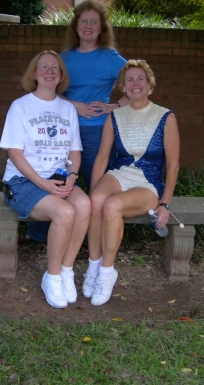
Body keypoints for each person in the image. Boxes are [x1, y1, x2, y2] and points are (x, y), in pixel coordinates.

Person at [26, 0, 127, 242]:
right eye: (84, 21)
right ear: (76, 26)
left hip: (95, 133)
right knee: (57, 178)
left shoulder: (110, 58)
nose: (88, 26)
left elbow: (138, 83)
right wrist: (74, 106)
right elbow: (51, 91)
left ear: (102, 28)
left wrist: (113, 107)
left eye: (94, 22)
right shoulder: (66, 57)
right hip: (62, 131)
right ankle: (40, 234)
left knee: (95, 185)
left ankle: (94, 239)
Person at [83, 59, 180, 306]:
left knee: (112, 206)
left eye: (140, 79)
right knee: (96, 200)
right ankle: (93, 267)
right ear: (123, 88)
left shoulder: (165, 117)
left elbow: (173, 164)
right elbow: (102, 157)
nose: (135, 84)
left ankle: (107, 273)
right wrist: (93, 193)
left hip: (147, 182)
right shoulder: (115, 116)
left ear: (149, 85)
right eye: (130, 80)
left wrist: (165, 204)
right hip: (119, 174)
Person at [0, 51, 91, 309]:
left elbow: (74, 150)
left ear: (61, 75)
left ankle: (66, 271)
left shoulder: (67, 108)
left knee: (84, 206)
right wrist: (43, 185)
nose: (49, 71)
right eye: (43, 67)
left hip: (58, 178)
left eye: (55, 68)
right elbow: (14, 153)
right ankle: (51, 278)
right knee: (64, 212)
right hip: (21, 182)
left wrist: (72, 175)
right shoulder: (21, 106)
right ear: (35, 73)